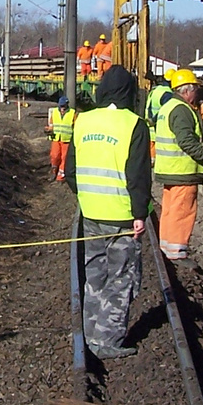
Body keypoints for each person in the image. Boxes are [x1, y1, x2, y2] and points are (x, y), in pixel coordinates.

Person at [67, 66, 150, 360]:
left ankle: (88, 333)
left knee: (95, 274)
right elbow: (138, 176)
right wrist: (140, 213)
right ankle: (108, 340)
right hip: (122, 216)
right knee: (122, 277)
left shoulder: (83, 121)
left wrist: (87, 196)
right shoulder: (134, 125)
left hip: (91, 213)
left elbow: (70, 171)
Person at [153, 69, 203, 262]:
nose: (197, 92)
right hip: (183, 170)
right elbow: (186, 141)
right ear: (187, 90)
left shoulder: (167, 107)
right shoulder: (182, 110)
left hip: (169, 170)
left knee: (170, 211)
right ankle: (177, 253)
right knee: (182, 212)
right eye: (195, 89)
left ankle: (166, 247)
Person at [46, 95, 76, 181]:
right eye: (61, 106)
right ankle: (54, 171)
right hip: (56, 138)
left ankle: (61, 175)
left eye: (63, 106)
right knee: (54, 156)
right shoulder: (55, 112)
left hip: (67, 140)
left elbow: (75, 126)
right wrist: (49, 130)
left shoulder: (72, 113)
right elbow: (51, 124)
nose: (62, 108)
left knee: (65, 157)